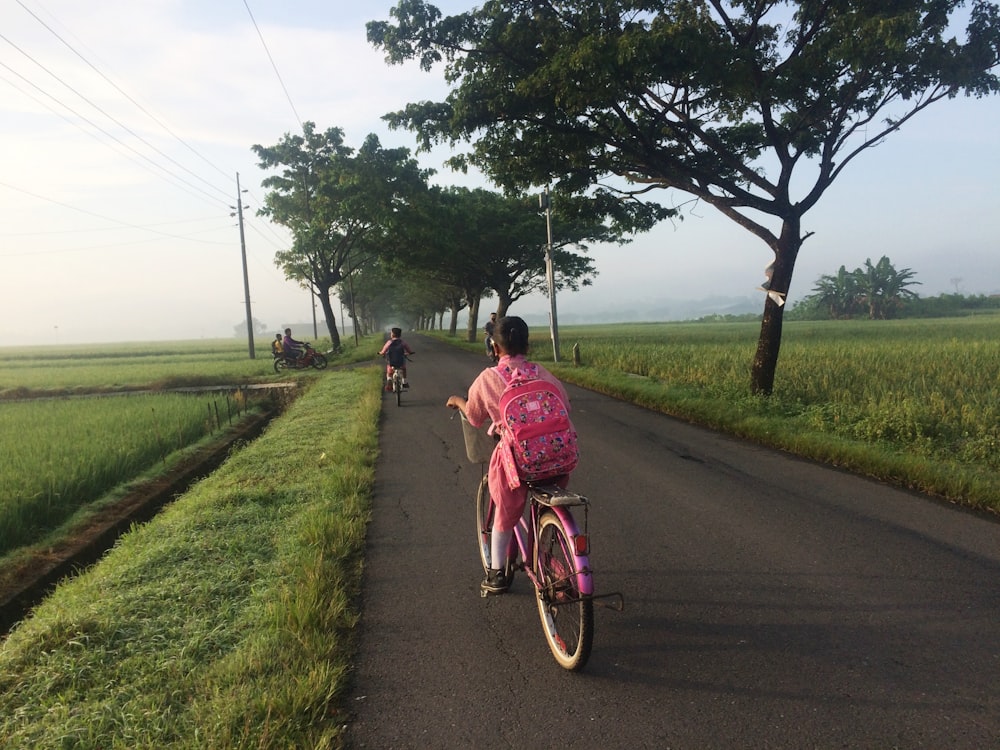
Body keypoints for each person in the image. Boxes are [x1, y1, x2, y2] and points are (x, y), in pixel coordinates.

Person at [446, 315, 573, 595]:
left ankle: (496, 575)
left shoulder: (487, 378)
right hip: (557, 458)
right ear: (527, 345)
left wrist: (458, 401)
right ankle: (551, 551)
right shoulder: (542, 373)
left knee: (504, 514)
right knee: (545, 505)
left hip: (517, 463)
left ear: (494, 347)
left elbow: (476, 418)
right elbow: (564, 404)